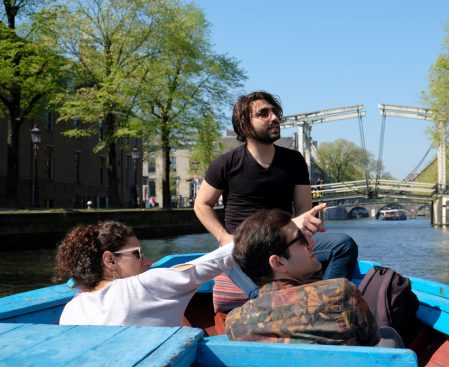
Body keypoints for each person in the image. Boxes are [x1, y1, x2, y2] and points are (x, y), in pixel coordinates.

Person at [194, 91, 358, 309]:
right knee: (233, 255)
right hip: (244, 245)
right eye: (263, 113)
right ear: (244, 124)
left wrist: (304, 230)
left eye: (275, 112)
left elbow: (302, 209)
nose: (274, 118)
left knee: (343, 245)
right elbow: (201, 204)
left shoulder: (294, 160)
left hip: (283, 241)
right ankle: (264, 302)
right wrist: (224, 237)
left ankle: (328, 302)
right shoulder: (225, 163)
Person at [225, 209, 402, 348]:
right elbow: (372, 340)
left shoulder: (235, 322)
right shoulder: (340, 294)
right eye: (301, 239)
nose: (312, 243)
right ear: (278, 263)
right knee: (389, 336)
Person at [54, 220, 235, 326]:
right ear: (109, 260)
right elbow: (220, 259)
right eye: (138, 254)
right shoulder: (143, 286)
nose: (148, 262)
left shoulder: (70, 310)